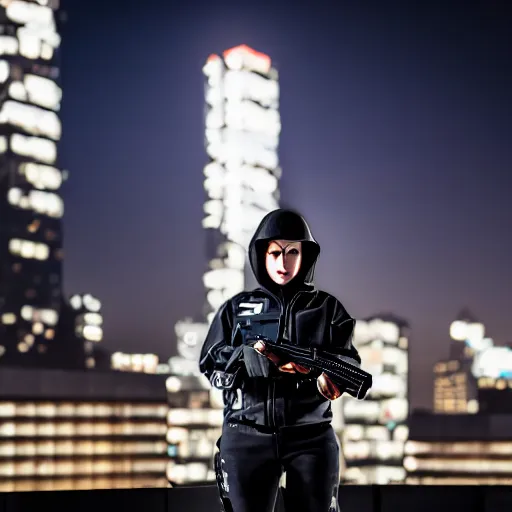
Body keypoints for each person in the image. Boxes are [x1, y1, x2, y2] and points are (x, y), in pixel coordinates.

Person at [199, 209, 362, 512]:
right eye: (275, 252)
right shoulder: (236, 309)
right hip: (245, 432)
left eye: (292, 252)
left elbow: (348, 362)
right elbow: (210, 363)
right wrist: (242, 359)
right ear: (261, 254)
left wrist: (331, 378)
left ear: (306, 256)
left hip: (311, 435)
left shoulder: (327, 309)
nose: (283, 262)